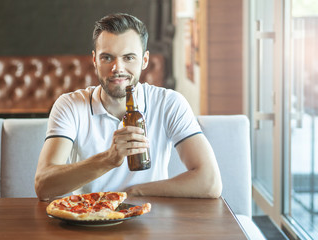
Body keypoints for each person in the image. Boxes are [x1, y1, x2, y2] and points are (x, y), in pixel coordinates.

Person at [35, 13, 222, 201]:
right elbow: (43, 186)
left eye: (129, 57)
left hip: (151, 220)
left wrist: (135, 191)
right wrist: (109, 159)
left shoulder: (169, 103)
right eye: (107, 57)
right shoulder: (69, 106)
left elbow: (210, 182)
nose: (118, 67)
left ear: (145, 60)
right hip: (90, 221)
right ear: (94, 60)